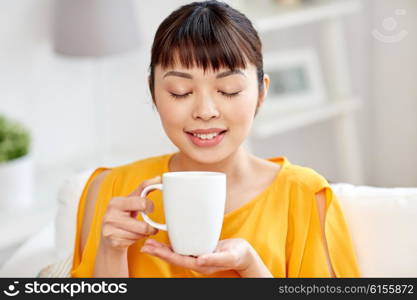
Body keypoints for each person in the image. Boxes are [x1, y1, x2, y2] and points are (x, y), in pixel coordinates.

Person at [71, 0, 360, 278]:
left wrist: (251, 267)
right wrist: (111, 252)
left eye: (229, 90)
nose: (205, 112)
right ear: (154, 93)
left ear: (261, 92)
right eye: (180, 92)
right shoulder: (110, 191)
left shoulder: (303, 195)